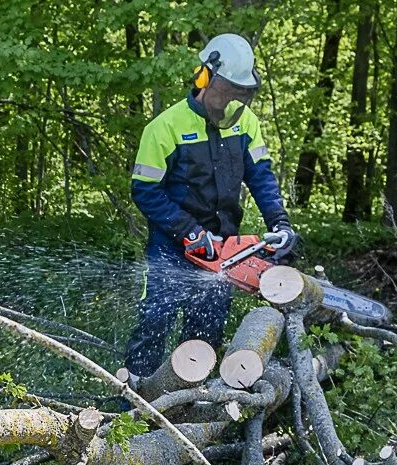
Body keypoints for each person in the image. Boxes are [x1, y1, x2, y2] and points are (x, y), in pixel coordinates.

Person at [124, 33, 298, 381]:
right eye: (226, 92)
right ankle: (133, 409)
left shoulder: (245, 123)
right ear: (205, 79)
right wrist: (189, 230)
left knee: (206, 335)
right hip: (172, 247)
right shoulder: (165, 128)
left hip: (223, 245)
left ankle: (192, 412)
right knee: (153, 326)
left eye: (238, 94)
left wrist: (279, 222)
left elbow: (261, 176)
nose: (229, 102)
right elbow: (145, 191)